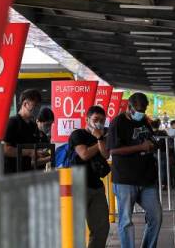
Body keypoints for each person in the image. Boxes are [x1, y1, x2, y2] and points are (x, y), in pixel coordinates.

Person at [107, 92, 162, 248]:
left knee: (156, 216)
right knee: (126, 220)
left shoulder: (144, 120)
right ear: (129, 107)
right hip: (125, 179)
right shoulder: (117, 122)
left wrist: (153, 145)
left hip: (146, 178)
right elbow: (113, 150)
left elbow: (150, 139)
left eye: (143, 110)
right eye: (138, 109)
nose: (141, 113)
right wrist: (140, 147)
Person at [69, 105, 110, 248]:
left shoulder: (103, 136)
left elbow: (106, 154)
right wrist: (99, 140)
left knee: (101, 228)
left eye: (102, 120)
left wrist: (100, 138)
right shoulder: (78, 134)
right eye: (96, 119)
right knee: (75, 228)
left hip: (96, 186)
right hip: (78, 186)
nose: (99, 122)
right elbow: (84, 154)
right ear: (87, 120)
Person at [2, 89, 49, 173]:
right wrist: (28, 152)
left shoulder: (33, 125)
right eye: (34, 106)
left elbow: (32, 150)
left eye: (38, 106)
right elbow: (5, 150)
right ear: (25, 104)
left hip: (28, 173)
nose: (36, 110)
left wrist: (39, 153)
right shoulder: (13, 122)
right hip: (13, 173)